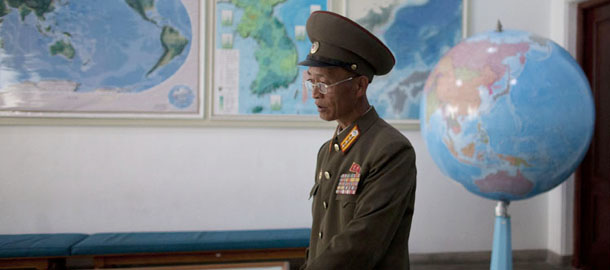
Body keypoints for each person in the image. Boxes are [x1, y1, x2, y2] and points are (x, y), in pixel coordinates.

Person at [298, 11, 417, 270]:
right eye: (311, 82)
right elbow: (321, 238)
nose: (315, 94)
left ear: (359, 86)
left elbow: (361, 243)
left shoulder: (391, 150)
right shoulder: (328, 150)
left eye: (324, 83)